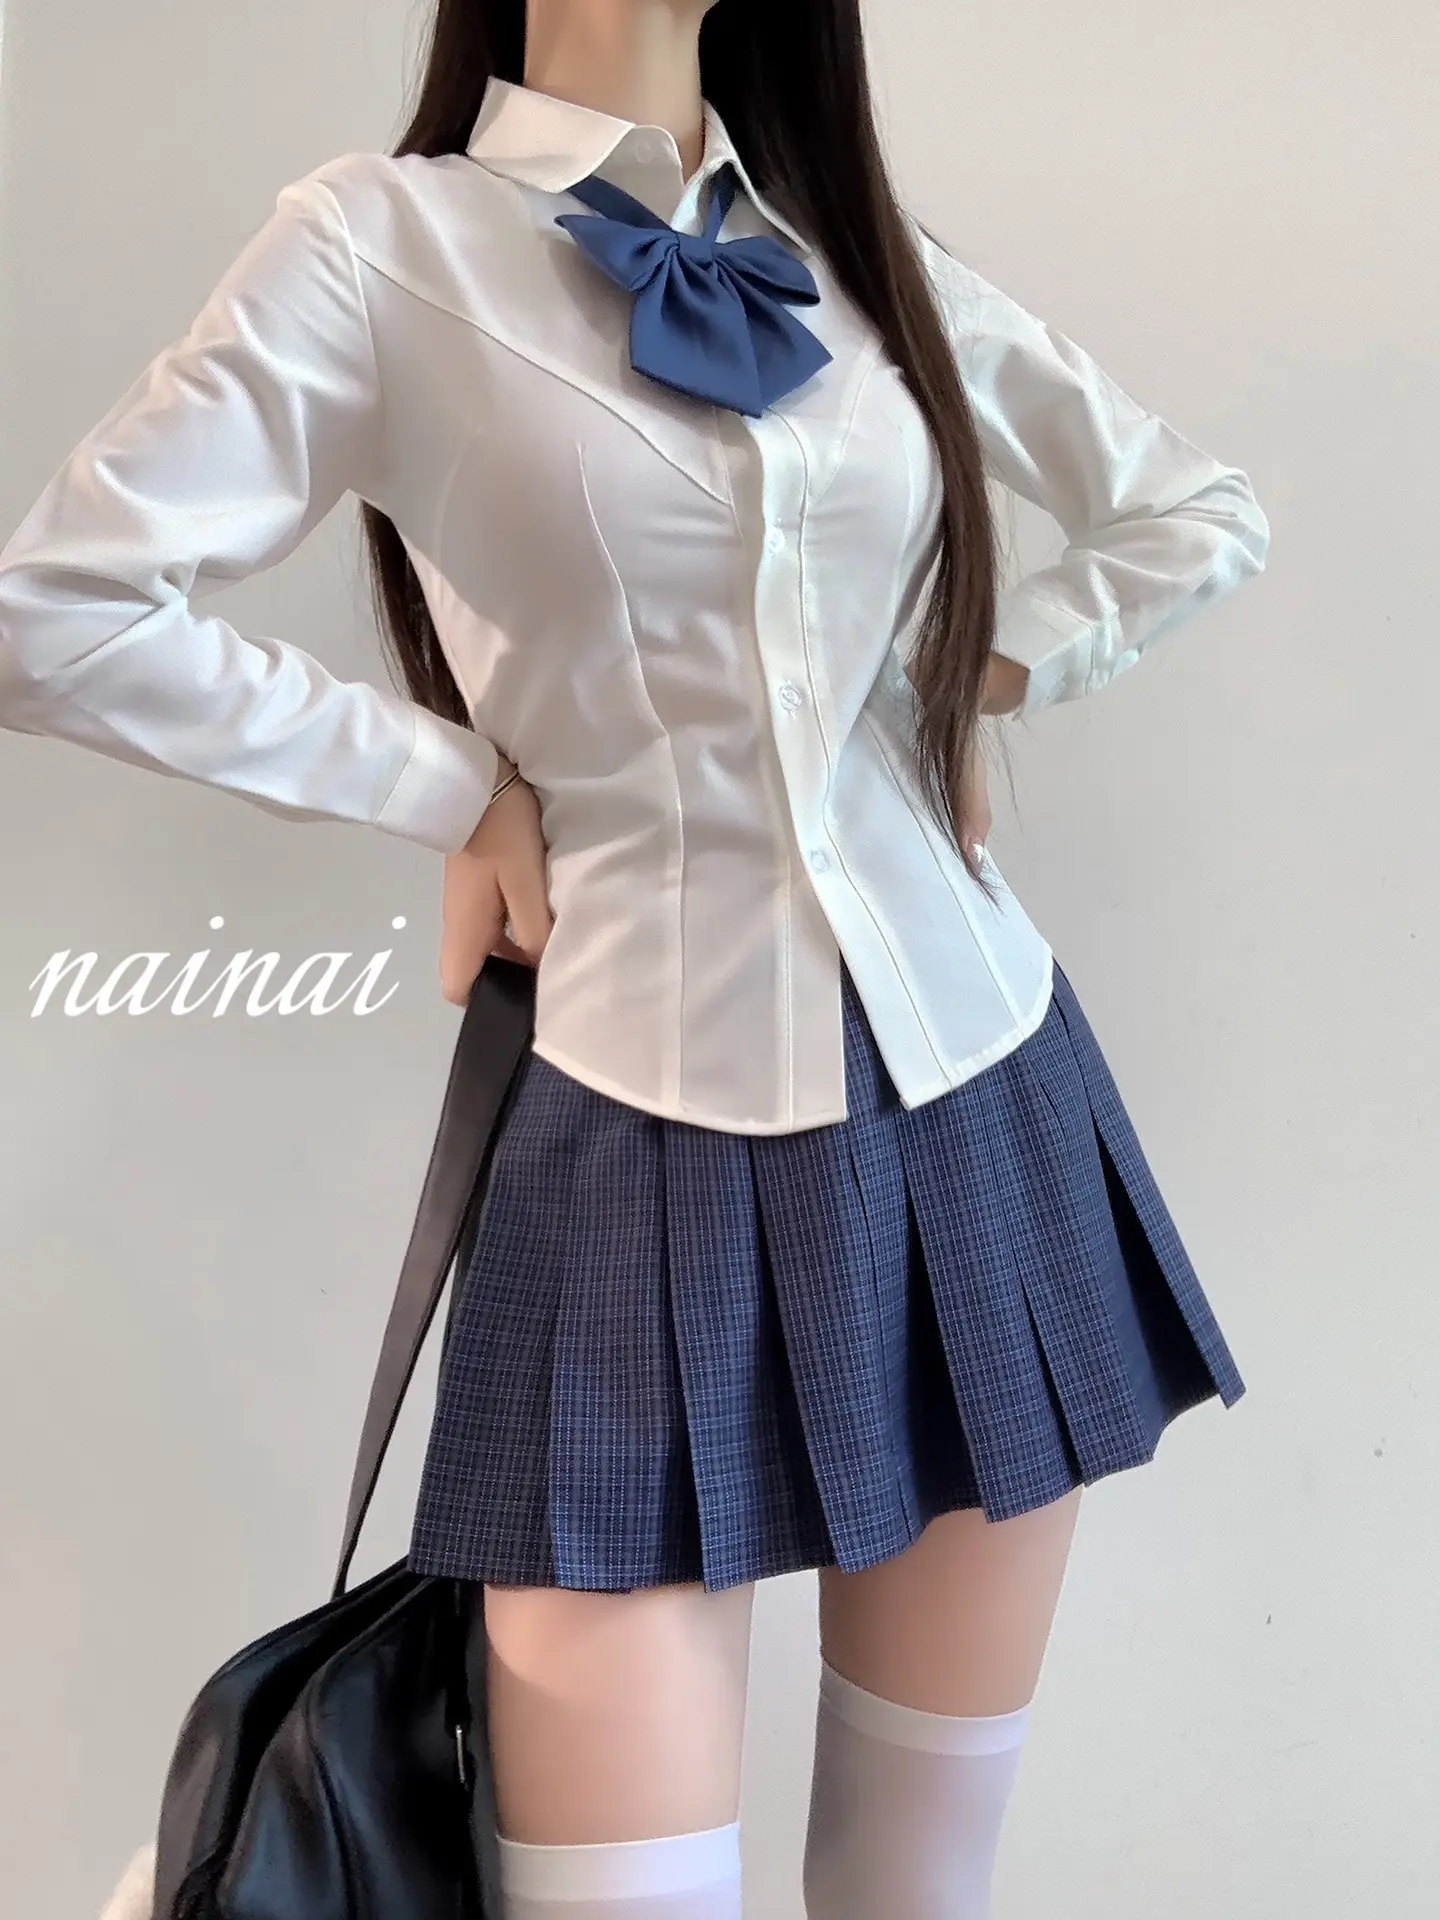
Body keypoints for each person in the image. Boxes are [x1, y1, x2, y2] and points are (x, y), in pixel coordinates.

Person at [0, 2, 1270, 1916]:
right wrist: (452, 785)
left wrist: (968, 678)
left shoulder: (856, 255)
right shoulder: (380, 245)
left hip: (978, 1091)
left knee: (920, 1884)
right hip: (632, 1131)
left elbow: (1195, 509)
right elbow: (56, 615)